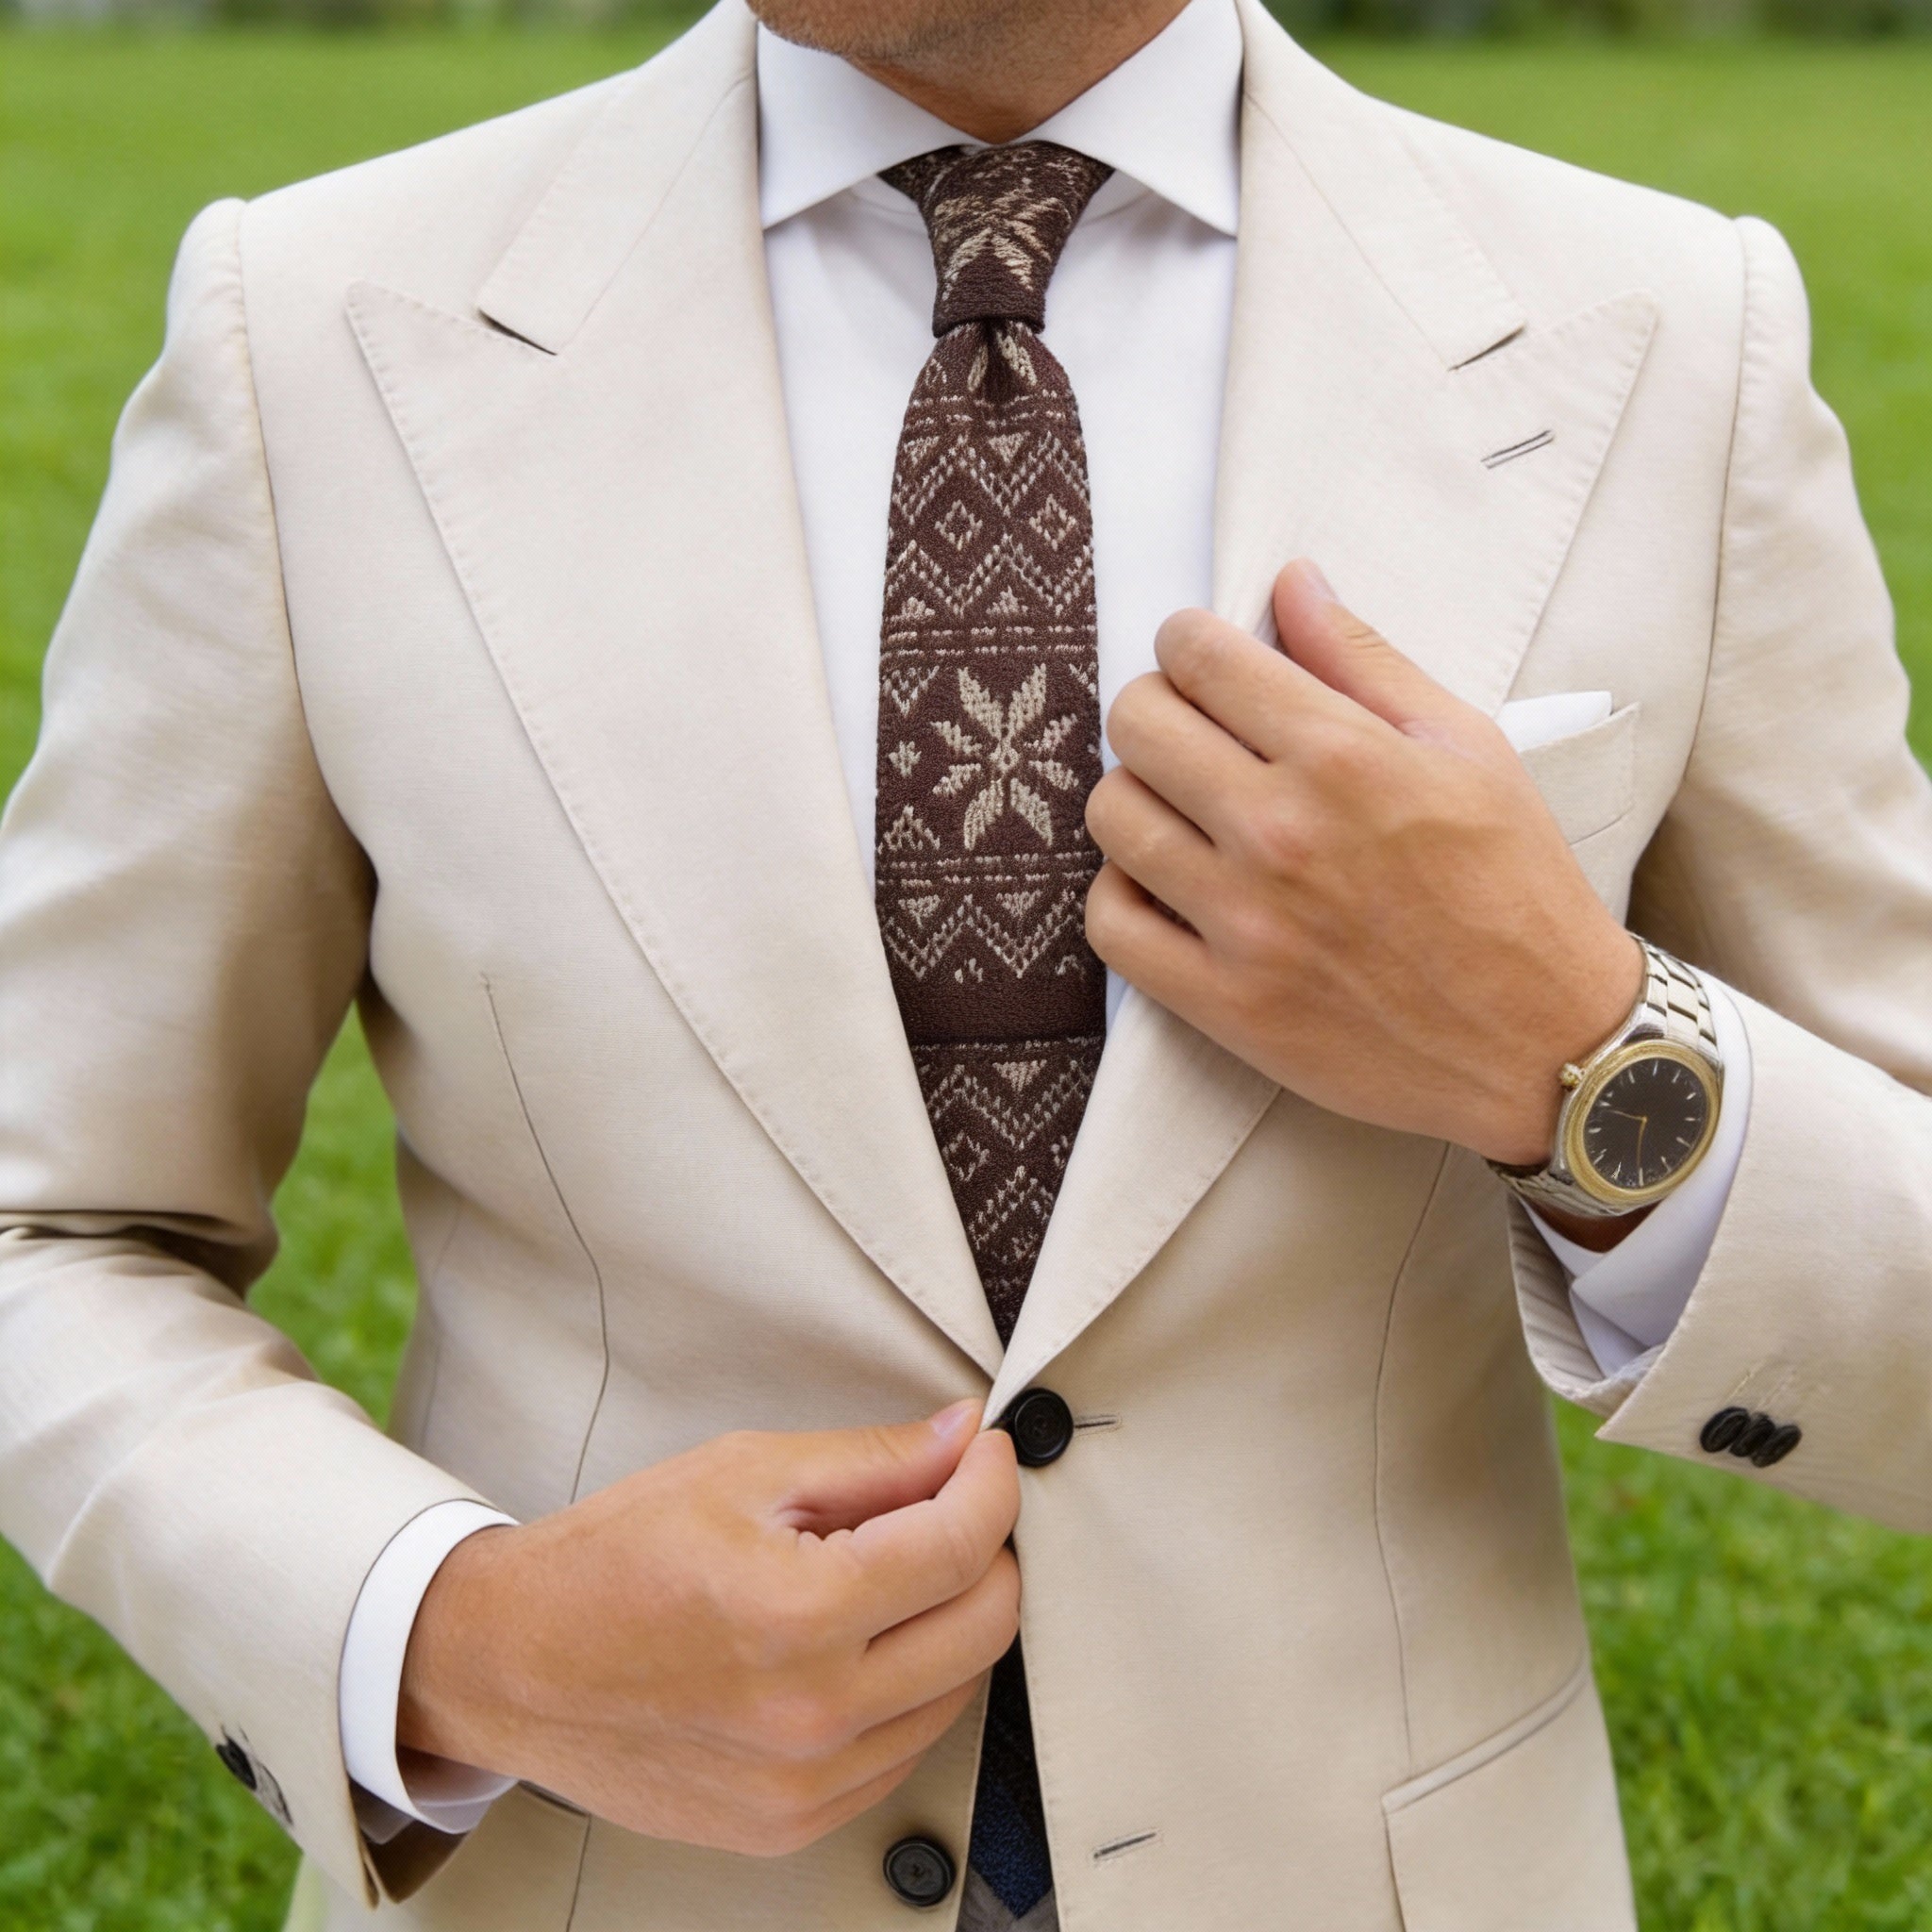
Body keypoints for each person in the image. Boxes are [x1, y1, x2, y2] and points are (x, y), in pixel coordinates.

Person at [2, 0, 1929, 1924]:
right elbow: (47, 1223)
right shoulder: (311, 328)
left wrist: (1580, 1055)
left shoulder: (1671, 336)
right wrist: (459, 1637)